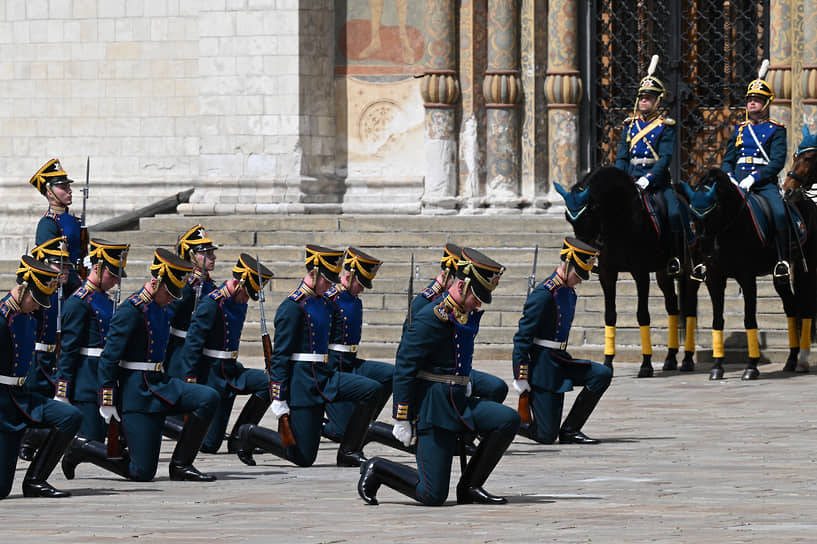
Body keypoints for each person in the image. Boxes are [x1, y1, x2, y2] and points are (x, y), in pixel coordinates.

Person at [358, 248, 520, 506]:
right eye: (476, 296)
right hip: (434, 410)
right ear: (462, 285)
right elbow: (405, 366)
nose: (479, 302)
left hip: (458, 401)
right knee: (432, 495)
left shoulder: (461, 313)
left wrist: (464, 381)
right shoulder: (430, 318)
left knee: (507, 419)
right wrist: (402, 416)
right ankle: (378, 468)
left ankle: (470, 486)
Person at [60, 248, 220, 482]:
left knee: (208, 397)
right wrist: (108, 398)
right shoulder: (132, 309)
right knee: (142, 472)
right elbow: (110, 357)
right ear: (157, 283)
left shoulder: (161, 307)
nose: (172, 298)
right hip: (137, 394)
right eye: (169, 291)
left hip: (160, 384)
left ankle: (181, 464)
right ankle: (82, 448)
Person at [234, 245, 382, 468]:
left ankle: (348, 451)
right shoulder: (293, 306)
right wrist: (279, 397)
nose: (331, 284)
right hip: (303, 385)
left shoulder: (324, 302)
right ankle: (249, 434)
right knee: (303, 457)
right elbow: (280, 357)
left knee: (371, 390)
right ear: (313, 274)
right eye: (327, 279)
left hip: (326, 376)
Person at [168, 253, 273, 462]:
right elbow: (193, 345)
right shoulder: (212, 303)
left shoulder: (239, 302)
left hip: (231, 370)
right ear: (239, 282)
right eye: (246, 293)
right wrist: (190, 379)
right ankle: (161, 422)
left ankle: (240, 437)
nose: (247, 299)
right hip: (212, 375)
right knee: (209, 444)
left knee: (270, 383)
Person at [512, 238, 612, 445]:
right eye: (579, 274)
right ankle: (504, 424)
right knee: (546, 436)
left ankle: (570, 430)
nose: (581, 280)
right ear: (567, 266)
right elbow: (522, 337)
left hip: (560, 360)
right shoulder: (544, 294)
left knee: (601, 374)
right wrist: (521, 376)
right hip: (543, 367)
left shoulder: (567, 290)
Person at [0, 255, 82, 498]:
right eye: (35, 299)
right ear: (22, 288)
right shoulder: (2, 319)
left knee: (69, 416)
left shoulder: (28, 317)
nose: (38, 306)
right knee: (1, 490)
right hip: (2, 404)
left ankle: (36, 480)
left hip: (23, 396)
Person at [614, 57, 689, 277]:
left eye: (648, 98)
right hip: (630, 179)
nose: (644, 101)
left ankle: (674, 258)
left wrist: (649, 178)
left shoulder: (666, 127)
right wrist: (620, 178)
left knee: (674, 213)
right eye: (642, 97)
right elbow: (622, 156)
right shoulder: (629, 126)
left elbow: (665, 158)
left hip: (656, 182)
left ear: (658, 101)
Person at [54, 239, 129, 443]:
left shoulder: (105, 299)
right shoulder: (79, 302)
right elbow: (68, 350)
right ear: (97, 267)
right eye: (112, 274)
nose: (115, 280)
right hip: (86, 383)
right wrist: (62, 390)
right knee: (89, 443)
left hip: (106, 379)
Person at [721, 59, 788, 282]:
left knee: (779, 213)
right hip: (737, 180)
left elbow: (777, 162)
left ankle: (782, 259)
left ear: (766, 103)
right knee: (710, 208)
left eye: (757, 100)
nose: (752, 103)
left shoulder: (776, 130)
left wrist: (755, 177)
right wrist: (728, 176)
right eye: (750, 99)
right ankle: (707, 258)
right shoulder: (739, 129)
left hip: (762, 183)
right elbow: (728, 159)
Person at [323, 247, 395, 450]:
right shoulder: (330, 298)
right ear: (349, 275)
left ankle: (363, 422)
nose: (362, 288)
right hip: (333, 365)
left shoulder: (353, 299)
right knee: (343, 433)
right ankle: (322, 424)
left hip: (351, 361)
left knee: (390, 375)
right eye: (360, 283)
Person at [17, 236, 73, 461]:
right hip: (35, 355)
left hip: (51, 354)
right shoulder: (36, 294)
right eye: (58, 264)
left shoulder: (59, 293)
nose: (64, 270)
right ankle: (27, 441)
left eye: (66, 265)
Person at [165, 224, 219, 366]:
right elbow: (166, 316)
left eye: (212, 252)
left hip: (203, 351)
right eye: (206, 253)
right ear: (191, 255)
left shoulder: (209, 284)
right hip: (181, 352)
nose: (213, 257)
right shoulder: (187, 286)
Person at [31, 159, 83, 293]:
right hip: (61, 289)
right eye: (63, 188)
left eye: (68, 187)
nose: (69, 191)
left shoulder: (74, 220)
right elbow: (55, 262)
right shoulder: (48, 224)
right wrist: (81, 286)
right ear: (49, 192)